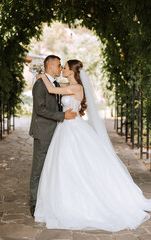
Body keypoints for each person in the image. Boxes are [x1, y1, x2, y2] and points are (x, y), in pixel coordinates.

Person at [34, 59, 151, 232]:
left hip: (71, 129)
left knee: (72, 163)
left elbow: (51, 89)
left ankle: (77, 202)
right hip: (65, 128)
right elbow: (55, 84)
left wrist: (41, 75)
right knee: (63, 165)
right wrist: (44, 77)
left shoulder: (76, 88)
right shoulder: (71, 83)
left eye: (65, 68)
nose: (63, 70)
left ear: (72, 71)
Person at [29, 55, 77, 217]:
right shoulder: (40, 85)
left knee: (52, 167)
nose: (61, 67)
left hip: (57, 132)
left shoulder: (53, 83)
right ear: (50, 66)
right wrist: (63, 116)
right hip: (43, 131)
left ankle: (50, 198)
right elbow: (40, 109)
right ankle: (34, 203)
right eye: (58, 65)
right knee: (39, 168)